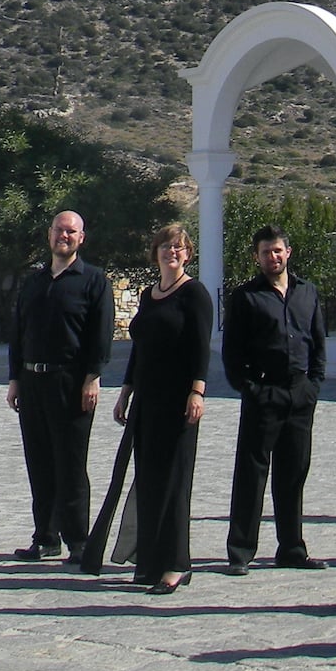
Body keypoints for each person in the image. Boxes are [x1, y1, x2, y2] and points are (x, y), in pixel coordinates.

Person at [6, 209, 114, 562]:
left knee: (70, 464)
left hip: (72, 384)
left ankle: (78, 540)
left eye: (71, 232)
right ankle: (45, 537)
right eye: (58, 230)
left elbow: (101, 334)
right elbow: (18, 333)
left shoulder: (94, 281)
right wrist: (14, 379)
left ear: (82, 238)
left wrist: (92, 377)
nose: (63, 236)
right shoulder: (34, 282)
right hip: (32, 382)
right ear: (49, 235)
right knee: (39, 462)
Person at [112, 223, 213, 594]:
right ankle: (151, 560)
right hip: (147, 400)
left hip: (179, 400)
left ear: (188, 254)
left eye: (179, 247)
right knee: (150, 480)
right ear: (155, 253)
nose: (172, 252)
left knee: (174, 480)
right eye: (165, 246)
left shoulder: (195, 294)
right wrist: (125, 390)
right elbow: (139, 348)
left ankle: (177, 563)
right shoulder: (148, 295)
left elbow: (201, 347)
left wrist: (197, 391)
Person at [221, 224, 327, 574]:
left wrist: (313, 385)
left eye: (278, 250)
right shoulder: (246, 297)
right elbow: (232, 353)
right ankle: (240, 551)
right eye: (266, 252)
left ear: (288, 252)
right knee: (252, 474)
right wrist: (251, 389)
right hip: (264, 394)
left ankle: (292, 547)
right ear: (257, 257)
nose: (273, 257)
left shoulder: (307, 292)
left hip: (299, 394)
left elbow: (318, 342)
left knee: (293, 473)